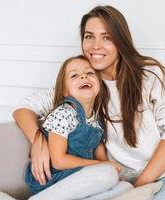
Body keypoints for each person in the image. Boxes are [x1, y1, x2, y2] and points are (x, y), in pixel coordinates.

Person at [13, 5, 165, 200]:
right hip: (161, 183)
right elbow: (24, 108)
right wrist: (38, 141)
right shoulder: (85, 84)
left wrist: (141, 186)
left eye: (106, 37)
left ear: (121, 41)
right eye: (89, 36)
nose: (95, 46)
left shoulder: (150, 75)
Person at [25, 55, 132, 199]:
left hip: (79, 176)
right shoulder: (63, 114)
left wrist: (107, 166)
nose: (83, 77)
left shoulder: (97, 121)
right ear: (65, 91)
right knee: (108, 174)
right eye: (74, 75)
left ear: (99, 85)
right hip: (53, 178)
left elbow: (101, 157)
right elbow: (58, 161)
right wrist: (103, 166)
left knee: (126, 187)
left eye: (89, 73)